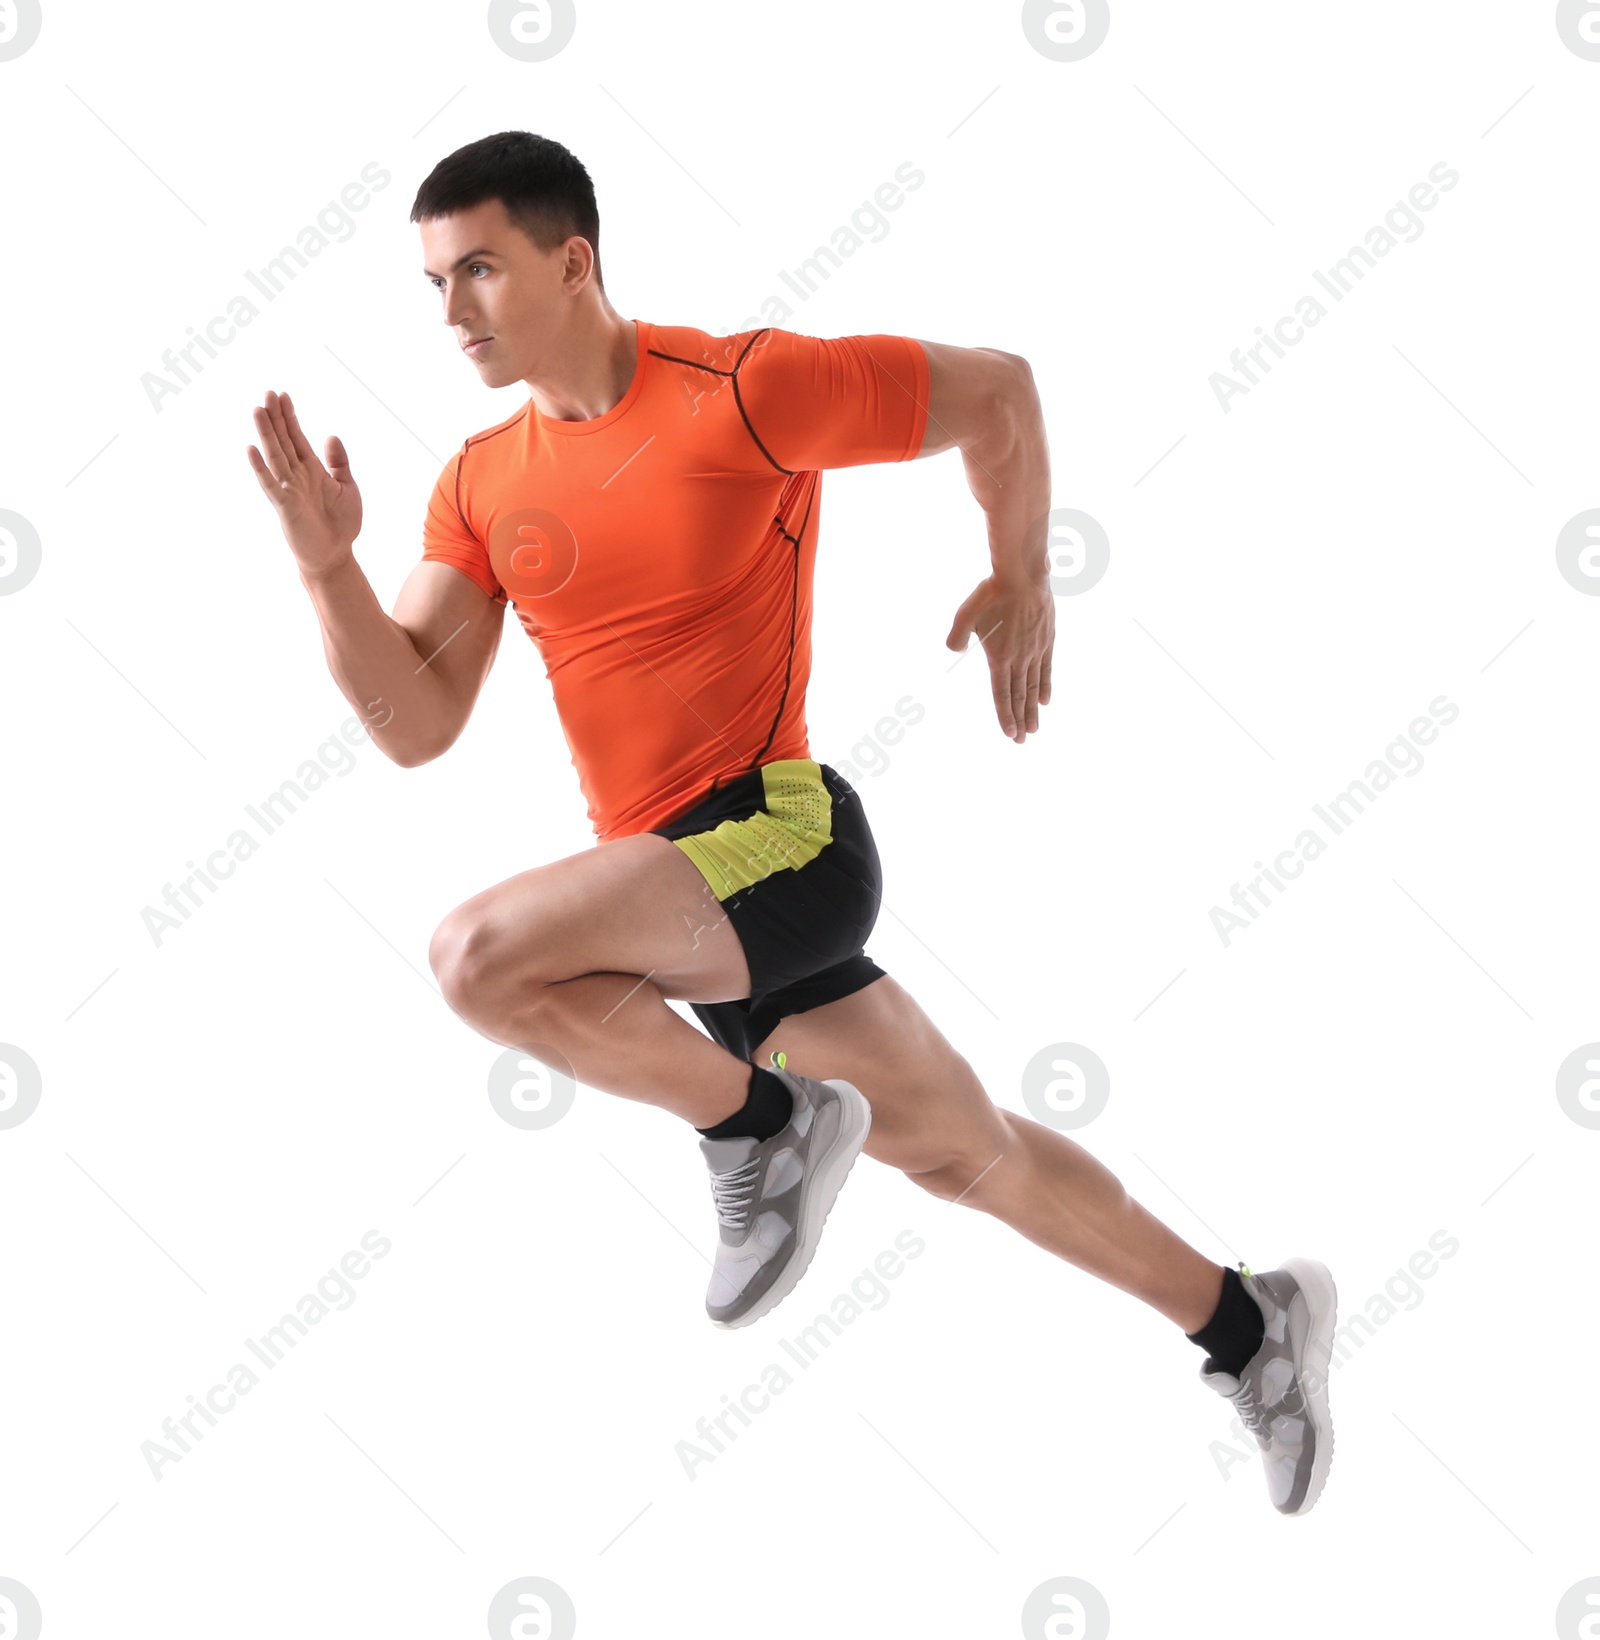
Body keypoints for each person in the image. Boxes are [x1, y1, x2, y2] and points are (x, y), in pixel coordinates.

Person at [244, 130, 1338, 1516]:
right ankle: (1255, 1329)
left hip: (780, 840)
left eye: (479, 271)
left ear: (572, 262)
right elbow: (413, 722)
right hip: (687, 908)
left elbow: (998, 393)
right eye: (432, 284)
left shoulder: (745, 391)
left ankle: (761, 1126)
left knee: (479, 958)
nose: (451, 313)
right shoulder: (477, 482)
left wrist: (1022, 578)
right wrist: (326, 566)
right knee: (970, 1153)